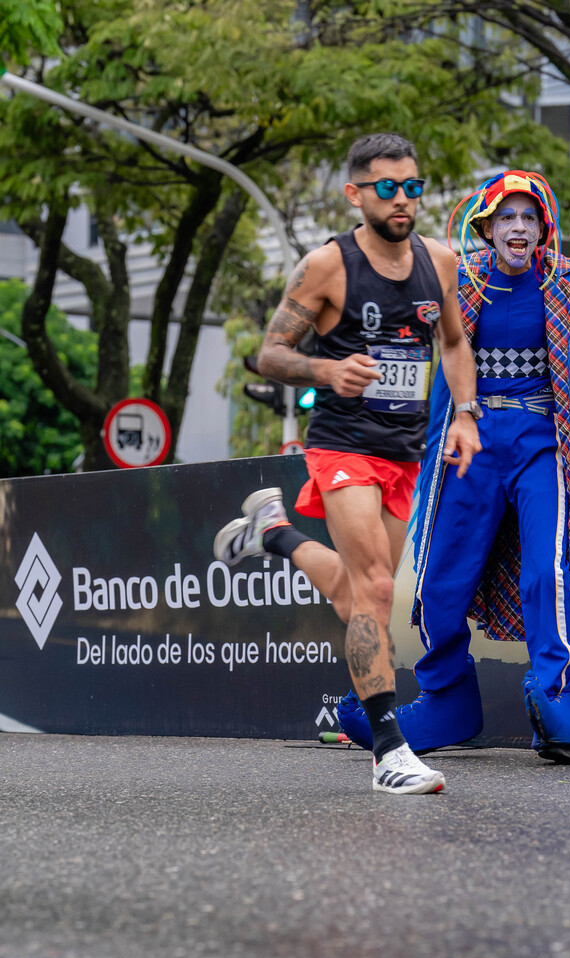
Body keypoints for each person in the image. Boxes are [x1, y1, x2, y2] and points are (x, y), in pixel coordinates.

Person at [338, 169, 570, 763]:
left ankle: (559, 704)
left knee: (546, 571)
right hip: (469, 442)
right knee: (440, 579)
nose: (519, 226)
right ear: (487, 229)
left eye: (529, 217)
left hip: (541, 441)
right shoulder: (454, 279)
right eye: (507, 217)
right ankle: (447, 702)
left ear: (543, 229)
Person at [213, 132, 481, 794]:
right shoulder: (328, 266)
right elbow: (270, 353)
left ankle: (275, 532)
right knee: (377, 588)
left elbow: (453, 343)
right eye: (387, 187)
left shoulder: (441, 262)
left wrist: (466, 414)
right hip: (342, 443)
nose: (402, 199)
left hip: (404, 450)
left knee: (357, 592)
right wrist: (327, 370)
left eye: (412, 186)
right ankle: (389, 752)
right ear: (355, 194)